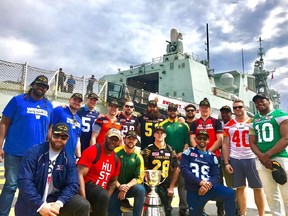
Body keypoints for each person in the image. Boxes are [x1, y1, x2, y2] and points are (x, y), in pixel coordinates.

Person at [0, 75, 53, 216]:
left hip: (36, 156)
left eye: (44, 86)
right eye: (39, 85)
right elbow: (4, 123)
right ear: (33, 85)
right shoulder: (17, 101)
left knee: (31, 189)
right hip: (14, 152)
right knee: (11, 186)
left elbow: (49, 129)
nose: (41, 88)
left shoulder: (49, 106)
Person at [15, 123, 90, 216]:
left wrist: (59, 202)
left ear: (67, 139)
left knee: (82, 205)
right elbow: (24, 181)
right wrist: (40, 205)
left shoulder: (68, 159)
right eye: (56, 135)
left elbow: (73, 184)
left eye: (63, 137)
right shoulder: (34, 153)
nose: (59, 139)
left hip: (54, 200)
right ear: (51, 133)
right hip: (33, 203)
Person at [222, 100, 265, 216]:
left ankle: (261, 214)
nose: (237, 109)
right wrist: (226, 162)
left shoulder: (253, 122)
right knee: (240, 188)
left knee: (257, 187)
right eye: (235, 108)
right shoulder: (228, 125)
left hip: (252, 158)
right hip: (235, 158)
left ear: (244, 107)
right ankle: (243, 214)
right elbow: (225, 143)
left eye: (239, 107)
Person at [249, 93, 288, 215]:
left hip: (280, 158)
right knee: (270, 195)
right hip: (261, 160)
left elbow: (286, 138)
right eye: (256, 102)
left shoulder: (281, 115)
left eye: (262, 100)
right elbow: (252, 142)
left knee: (286, 194)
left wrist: (267, 155)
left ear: (269, 100)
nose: (259, 103)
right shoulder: (254, 120)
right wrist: (262, 157)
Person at [181, 130, 236, 216]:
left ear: (208, 140)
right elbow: (184, 171)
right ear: (195, 139)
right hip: (194, 189)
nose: (202, 140)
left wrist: (207, 185)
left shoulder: (212, 156)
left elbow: (216, 175)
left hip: (209, 188)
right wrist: (200, 182)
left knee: (230, 193)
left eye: (204, 138)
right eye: (199, 138)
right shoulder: (188, 152)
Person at [190, 98, 224, 216]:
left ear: (209, 109)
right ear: (199, 109)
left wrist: (207, 152)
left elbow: (220, 139)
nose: (204, 109)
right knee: (199, 184)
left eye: (206, 107)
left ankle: (220, 211)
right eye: (202, 107)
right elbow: (192, 139)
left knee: (217, 184)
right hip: (198, 158)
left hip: (214, 157)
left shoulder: (216, 122)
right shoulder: (195, 123)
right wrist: (200, 153)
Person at [77, 128, 122, 216]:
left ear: (118, 143)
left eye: (116, 140)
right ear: (106, 137)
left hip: (100, 195)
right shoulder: (93, 150)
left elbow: (113, 182)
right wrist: (84, 199)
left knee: (103, 197)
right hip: (86, 187)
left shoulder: (116, 160)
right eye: (111, 138)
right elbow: (79, 174)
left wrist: (106, 199)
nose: (113, 142)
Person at [159, 103, 190, 216]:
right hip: (168, 158)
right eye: (170, 110)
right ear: (167, 111)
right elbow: (161, 140)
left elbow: (187, 140)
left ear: (177, 111)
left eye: (174, 110)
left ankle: (183, 208)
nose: (172, 111)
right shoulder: (163, 125)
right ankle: (168, 206)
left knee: (182, 184)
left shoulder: (184, 125)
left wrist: (183, 152)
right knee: (168, 183)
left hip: (182, 158)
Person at [142, 126, 180, 216]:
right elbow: (143, 168)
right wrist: (146, 184)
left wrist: (171, 187)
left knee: (166, 210)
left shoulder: (170, 149)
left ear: (165, 135)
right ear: (154, 134)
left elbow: (177, 168)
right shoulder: (148, 149)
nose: (159, 135)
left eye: (162, 133)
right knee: (150, 210)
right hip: (151, 185)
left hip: (165, 185)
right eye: (157, 133)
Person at [108, 130, 145, 216]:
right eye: (129, 138)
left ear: (136, 141)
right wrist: (120, 186)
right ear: (124, 139)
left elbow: (139, 177)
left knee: (141, 190)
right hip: (114, 187)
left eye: (134, 139)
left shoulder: (138, 157)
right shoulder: (115, 152)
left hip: (129, 188)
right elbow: (110, 172)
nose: (131, 141)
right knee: (112, 212)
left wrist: (126, 187)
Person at [49, 93, 83, 159]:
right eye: (74, 100)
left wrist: (79, 156)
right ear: (70, 100)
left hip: (70, 156)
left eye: (79, 101)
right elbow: (50, 128)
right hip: (55, 153)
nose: (76, 102)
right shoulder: (59, 110)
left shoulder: (79, 120)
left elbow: (78, 139)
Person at [219, 105, 233, 188]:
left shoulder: (234, 124)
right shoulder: (219, 125)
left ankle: (237, 200)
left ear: (231, 113)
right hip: (223, 157)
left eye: (227, 112)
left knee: (235, 180)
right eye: (223, 112)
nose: (224, 114)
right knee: (227, 181)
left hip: (233, 155)